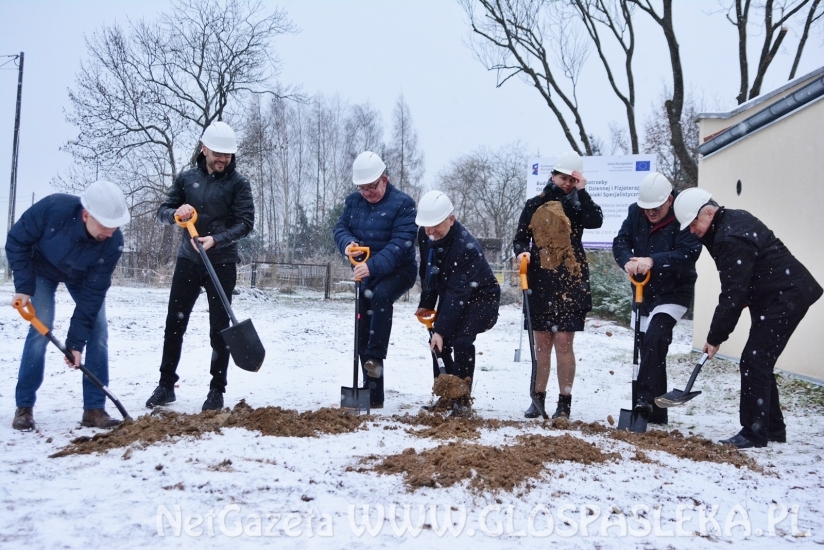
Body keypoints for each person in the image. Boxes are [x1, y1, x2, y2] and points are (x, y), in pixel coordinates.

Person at [674, 187, 822, 448]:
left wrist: (715, 337)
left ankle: (754, 433)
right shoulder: (731, 221)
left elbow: (732, 292)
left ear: (709, 211)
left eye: (694, 223)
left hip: (785, 297)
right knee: (760, 360)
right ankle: (772, 428)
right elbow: (745, 278)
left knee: (754, 360)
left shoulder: (730, 236)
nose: (692, 230)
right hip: (776, 295)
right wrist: (742, 297)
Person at [145, 121, 254, 411]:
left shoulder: (239, 184)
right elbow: (163, 211)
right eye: (217, 153)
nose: (222, 159)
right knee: (175, 324)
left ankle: (216, 390)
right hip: (189, 260)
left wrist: (216, 240)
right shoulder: (186, 179)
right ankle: (166, 385)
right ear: (204, 148)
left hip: (221, 262)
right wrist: (175, 213)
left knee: (220, 330)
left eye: (227, 155)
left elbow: (245, 223)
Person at [6, 180, 130, 430]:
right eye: (106, 225)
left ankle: (94, 409)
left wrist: (75, 344)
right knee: (41, 328)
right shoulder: (53, 209)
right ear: (86, 215)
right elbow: (16, 242)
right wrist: (24, 288)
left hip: (81, 276)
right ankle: (25, 406)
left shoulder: (112, 242)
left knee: (99, 331)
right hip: (40, 269)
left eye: (115, 225)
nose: (111, 231)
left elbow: (93, 295)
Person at [513, 150, 603, 419]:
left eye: (572, 180)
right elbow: (519, 238)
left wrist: (583, 192)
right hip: (540, 278)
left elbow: (596, 221)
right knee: (542, 343)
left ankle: (564, 402)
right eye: (563, 177)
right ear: (553, 175)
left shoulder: (578, 206)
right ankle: (537, 397)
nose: (567, 183)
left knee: (564, 341)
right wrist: (522, 253)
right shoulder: (534, 204)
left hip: (570, 279)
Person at [612, 173, 701, 425]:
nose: (651, 213)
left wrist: (653, 261)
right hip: (643, 291)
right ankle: (657, 412)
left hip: (673, 291)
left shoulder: (683, 217)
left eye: (657, 208)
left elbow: (688, 253)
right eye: (646, 208)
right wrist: (626, 261)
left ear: (670, 200)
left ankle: (643, 400)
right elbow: (621, 242)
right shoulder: (634, 213)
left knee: (656, 337)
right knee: (650, 349)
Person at [333, 151, 417, 409]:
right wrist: (348, 245)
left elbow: (400, 246)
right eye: (362, 188)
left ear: (385, 179)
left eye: (371, 187)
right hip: (365, 270)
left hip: (398, 271)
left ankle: (376, 356)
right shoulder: (353, 202)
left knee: (380, 297)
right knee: (362, 326)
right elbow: (340, 229)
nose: (367, 192)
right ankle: (373, 394)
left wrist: (372, 265)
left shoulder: (403, 204)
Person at [414, 191, 500, 415]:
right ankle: (445, 396)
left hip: (482, 298)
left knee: (460, 340)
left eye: (435, 225)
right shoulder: (425, 236)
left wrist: (441, 329)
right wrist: (427, 304)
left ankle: (462, 400)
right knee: (437, 343)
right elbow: (428, 273)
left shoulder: (465, 248)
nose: (431, 231)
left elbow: (457, 294)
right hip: (453, 294)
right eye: (426, 226)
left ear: (451, 219)